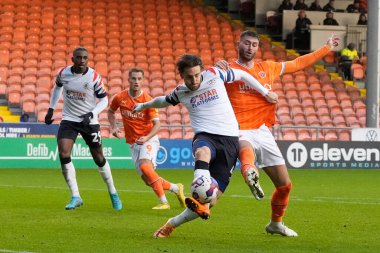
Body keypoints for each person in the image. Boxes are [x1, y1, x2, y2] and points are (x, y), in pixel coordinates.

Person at [133, 54, 278, 238]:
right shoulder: (181, 92)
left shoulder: (214, 74)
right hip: (205, 136)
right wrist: (144, 105)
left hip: (230, 141)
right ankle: (199, 183)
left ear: (201, 70)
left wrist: (264, 92)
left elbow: (242, 75)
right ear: (182, 76)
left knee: (209, 201)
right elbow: (162, 101)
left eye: (196, 75)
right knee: (203, 152)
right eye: (189, 77)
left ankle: (172, 223)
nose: (194, 80)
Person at [216, 31, 339, 236]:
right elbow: (200, 79)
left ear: (258, 48)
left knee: (285, 185)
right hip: (237, 128)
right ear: (239, 44)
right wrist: (213, 67)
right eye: (246, 43)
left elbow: (298, 63)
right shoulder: (227, 69)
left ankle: (275, 224)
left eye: (254, 44)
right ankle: (249, 172)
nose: (250, 48)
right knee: (245, 149)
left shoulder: (268, 67)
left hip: (262, 130)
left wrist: (326, 48)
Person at [44, 47, 122, 210]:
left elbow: (104, 101)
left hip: (89, 121)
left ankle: (113, 192)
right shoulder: (63, 73)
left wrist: (91, 113)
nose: (82, 61)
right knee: (64, 153)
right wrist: (51, 109)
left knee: (99, 158)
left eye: (85, 58)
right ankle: (75, 196)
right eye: (78, 58)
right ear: (72, 59)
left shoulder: (93, 77)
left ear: (88, 60)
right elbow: (57, 87)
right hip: (69, 119)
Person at [107, 67, 186, 210]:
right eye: (133, 79)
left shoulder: (148, 100)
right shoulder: (120, 97)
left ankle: (164, 202)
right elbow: (111, 111)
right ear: (129, 80)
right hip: (133, 142)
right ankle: (176, 188)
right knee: (147, 179)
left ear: (143, 81)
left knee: (145, 166)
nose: (136, 82)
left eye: (139, 79)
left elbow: (157, 125)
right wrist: (113, 127)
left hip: (148, 139)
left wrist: (146, 137)